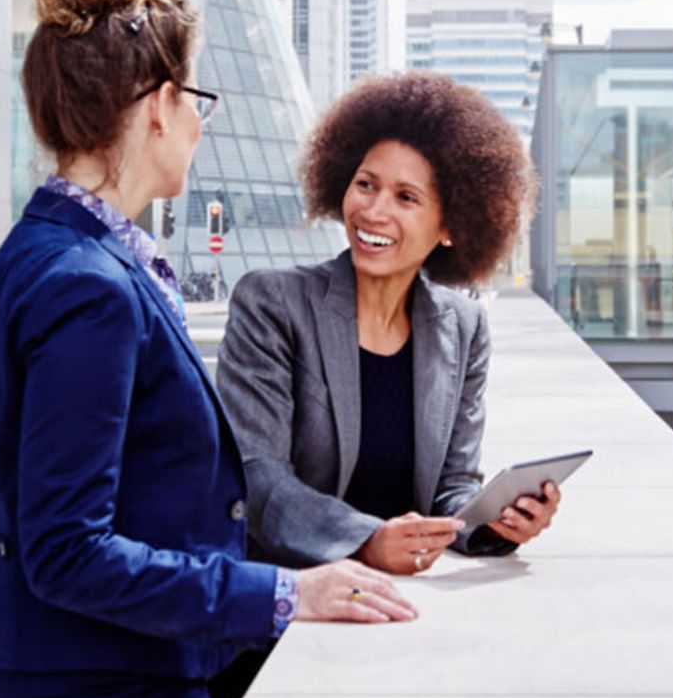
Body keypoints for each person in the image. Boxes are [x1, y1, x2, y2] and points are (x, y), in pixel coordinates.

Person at [0, 0, 415, 698]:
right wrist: (284, 594)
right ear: (158, 107)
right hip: (99, 681)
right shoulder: (88, 286)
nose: (200, 126)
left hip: (75, 663)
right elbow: (68, 550)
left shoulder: (50, 248)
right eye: (197, 102)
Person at [218, 71, 558, 578]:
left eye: (406, 197)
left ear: (449, 226)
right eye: (366, 185)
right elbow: (258, 476)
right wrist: (365, 540)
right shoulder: (272, 303)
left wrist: (493, 522)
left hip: (401, 600)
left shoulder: (463, 326)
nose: (373, 211)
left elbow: (453, 486)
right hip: (291, 601)